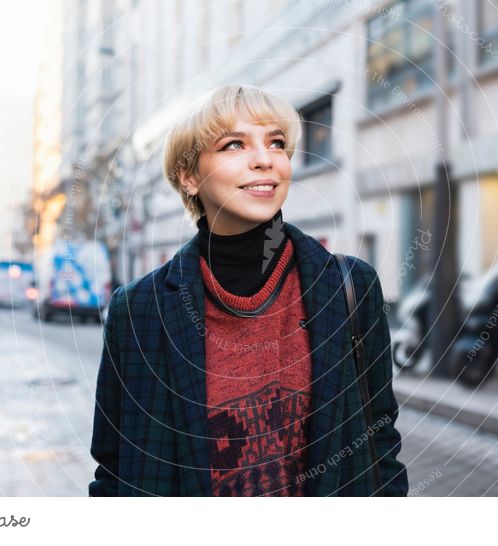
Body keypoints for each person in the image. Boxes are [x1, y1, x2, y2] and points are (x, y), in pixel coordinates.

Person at [89, 84, 408, 496]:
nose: (264, 160)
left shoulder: (351, 288)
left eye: (276, 143)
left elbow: (380, 441)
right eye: (234, 144)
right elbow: (114, 470)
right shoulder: (138, 310)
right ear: (189, 177)